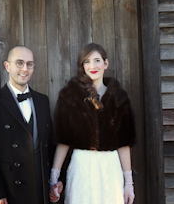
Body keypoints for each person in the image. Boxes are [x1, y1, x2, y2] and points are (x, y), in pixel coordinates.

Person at [49, 43, 136, 204]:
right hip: (82, 166)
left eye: (97, 60)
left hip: (110, 167)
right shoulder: (69, 96)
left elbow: (124, 143)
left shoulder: (119, 97)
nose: (92, 66)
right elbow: (63, 140)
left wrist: (129, 183)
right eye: (87, 62)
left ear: (106, 63)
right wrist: (54, 176)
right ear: (82, 66)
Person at [0, 46, 61, 204]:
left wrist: (56, 180)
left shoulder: (42, 101)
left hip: (41, 190)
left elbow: (50, 146)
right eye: (19, 63)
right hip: (10, 191)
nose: (25, 69)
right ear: (7, 66)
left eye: (29, 64)